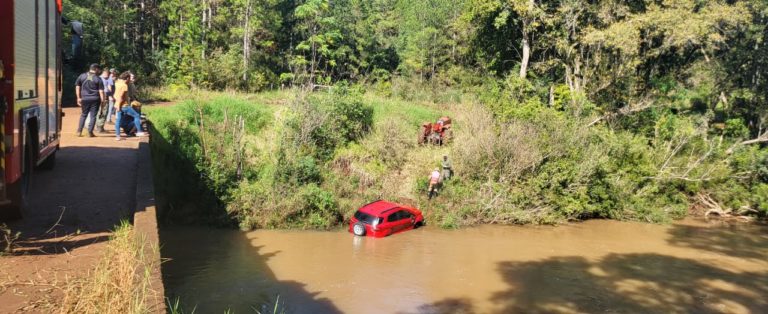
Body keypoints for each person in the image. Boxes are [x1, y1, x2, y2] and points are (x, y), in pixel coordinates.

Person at [114, 71, 147, 140]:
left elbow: (115, 95)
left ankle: (118, 136)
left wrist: (117, 104)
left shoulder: (117, 83)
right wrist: (119, 106)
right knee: (137, 115)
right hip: (124, 106)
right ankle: (139, 131)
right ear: (127, 78)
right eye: (129, 78)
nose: (130, 80)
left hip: (117, 104)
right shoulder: (124, 86)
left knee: (118, 120)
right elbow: (121, 97)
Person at [75, 63, 105, 137]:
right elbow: (101, 91)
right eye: (99, 69)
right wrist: (103, 101)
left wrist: (78, 97)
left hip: (84, 98)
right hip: (95, 99)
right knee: (93, 116)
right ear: (96, 69)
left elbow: (77, 87)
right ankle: (90, 132)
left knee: (83, 115)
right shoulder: (98, 78)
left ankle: (79, 131)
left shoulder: (82, 76)